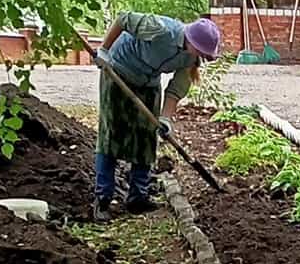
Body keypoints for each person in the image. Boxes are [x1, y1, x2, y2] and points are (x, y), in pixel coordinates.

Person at [92, 12, 221, 223]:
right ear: (191, 40)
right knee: (111, 135)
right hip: (117, 72)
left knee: (147, 138)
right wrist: (104, 50)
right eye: (202, 52)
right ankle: (102, 199)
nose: (203, 58)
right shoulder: (161, 29)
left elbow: (176, 90)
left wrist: (165, 119)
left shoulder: (190, 58)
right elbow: (123, 19)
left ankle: (137, 198)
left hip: (148, 82)